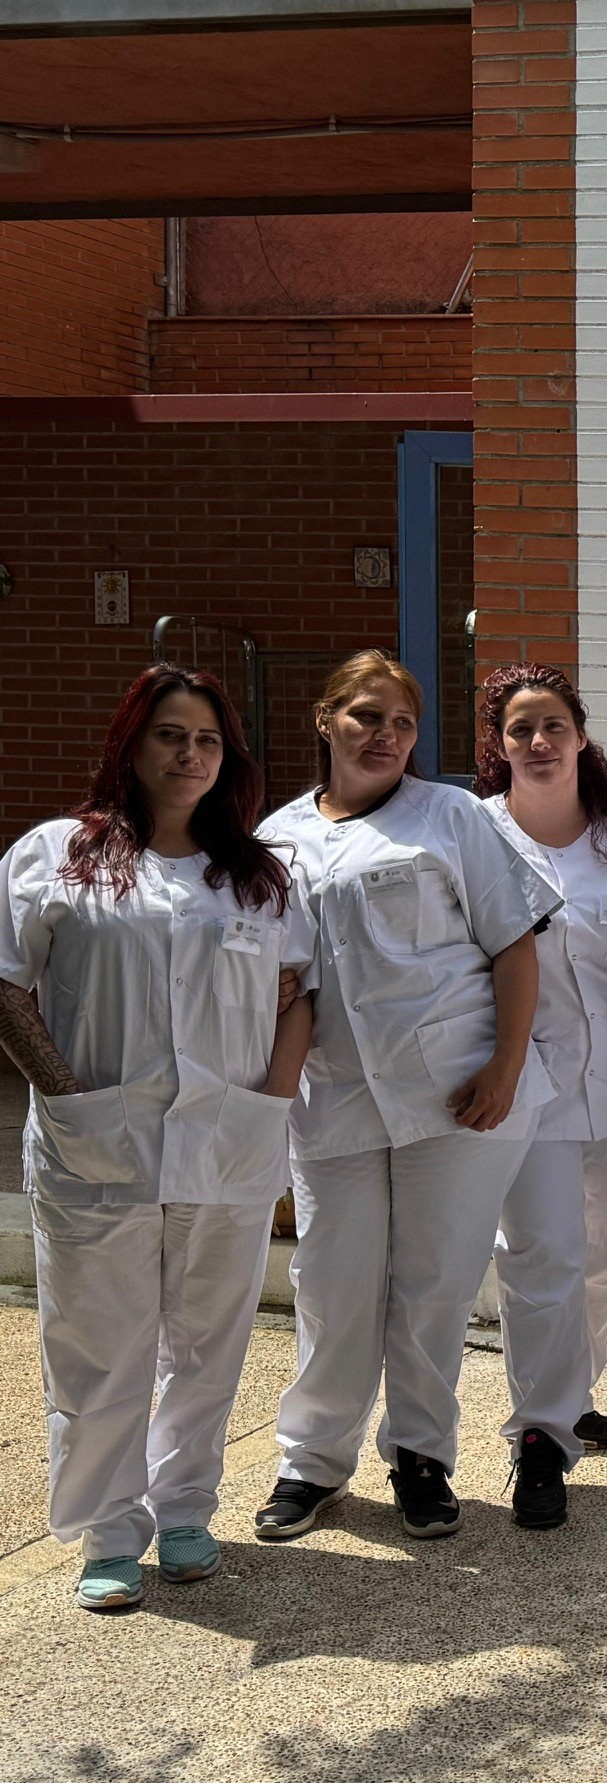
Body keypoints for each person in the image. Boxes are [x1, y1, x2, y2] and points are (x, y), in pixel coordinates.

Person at [0, 666, 313, 1610]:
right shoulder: (58, 855)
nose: (190, 754)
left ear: (229, 758)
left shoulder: (259, 877)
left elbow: (298, 997)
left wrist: (271, 1102)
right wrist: (67, 1096)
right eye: (171, 735)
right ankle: (108, 1528)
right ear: (132, 745)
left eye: (208, 740)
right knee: (97, 1342)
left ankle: (183, 1511)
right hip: (98, 1144)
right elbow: (8, 986)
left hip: (229, 1143)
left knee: (209, 1341)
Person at [255, 651, 560, 1543]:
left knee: (434, 1286)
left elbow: (515, 944)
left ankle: (421, 1458)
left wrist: (506, 1067)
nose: (384, 735)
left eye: (400, 722)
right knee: (332, 1283)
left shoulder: (452, 816)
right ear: (325, 720)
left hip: (459, 1093)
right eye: (364, 716)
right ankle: (313, 1461)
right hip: (336, 1096)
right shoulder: (275, 841)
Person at [474, 664, 607, 1519]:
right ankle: (539, 1439)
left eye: (554, 726)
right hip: (529, 1087)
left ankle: (572, 1392)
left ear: (582, 736)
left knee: (605, 1256)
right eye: (521, 729)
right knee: (541, 1257)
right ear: (498, 745)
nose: (539, 742)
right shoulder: (475, 835)